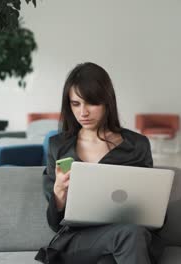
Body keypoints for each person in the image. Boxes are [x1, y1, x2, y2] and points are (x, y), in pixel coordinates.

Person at [35, 62, 163, 264]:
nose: (83, 112)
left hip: (130, 235)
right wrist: (59, 194)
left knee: (116, 252)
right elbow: (55, 223)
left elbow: (151, 210)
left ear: (107, 102)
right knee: (129, 236)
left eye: (91, 103)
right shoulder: (58, 147)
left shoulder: (137, 145)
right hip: (80, 240)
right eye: (75, 104)